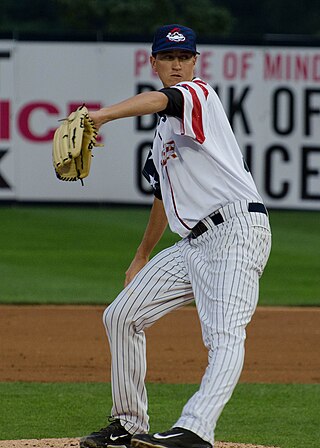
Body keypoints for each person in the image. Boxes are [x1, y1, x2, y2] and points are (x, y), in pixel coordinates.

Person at [79, 24, 272, 448]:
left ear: (196, 62)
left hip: (236, 230)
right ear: (154, 62)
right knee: (121, 315)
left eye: (184, 57)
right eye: (168, 58)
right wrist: (140, 257)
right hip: (192, 245)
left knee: (224, 334)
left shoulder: (198, 95)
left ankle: (196, 429)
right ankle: (128, 422)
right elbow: (161, 200)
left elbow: (159, 100)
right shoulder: (162, 137)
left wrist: (103, 114)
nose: (177, 65)